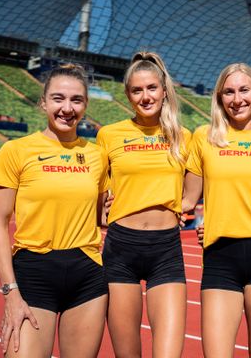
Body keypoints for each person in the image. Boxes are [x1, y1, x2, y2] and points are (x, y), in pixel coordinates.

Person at [0, 63, 109, 357]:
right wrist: (11, 292)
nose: (67, 108)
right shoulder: (15, 151)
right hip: (33, 274)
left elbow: (100, 215)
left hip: (87, 274)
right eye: (58, 98)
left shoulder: (97, 156)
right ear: (43, 102)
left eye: (76, 100)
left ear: (85, 105)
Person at [182, 63, 251, 357]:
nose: (236, 99)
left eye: (243, 90)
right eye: (228, 92)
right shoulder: (204, 137)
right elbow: (187, 200)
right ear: (219, 97)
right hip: (220, 257)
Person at [96, 51, 189, 357]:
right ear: (128, 94)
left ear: (164, 90)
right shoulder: (108, 135)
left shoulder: (183, 137)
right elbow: (94, 189)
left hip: (166, 250)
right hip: (121, 248)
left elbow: (208, 183)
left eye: (152, 88)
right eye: (137, 90)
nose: (146, 96)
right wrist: (100, 210)